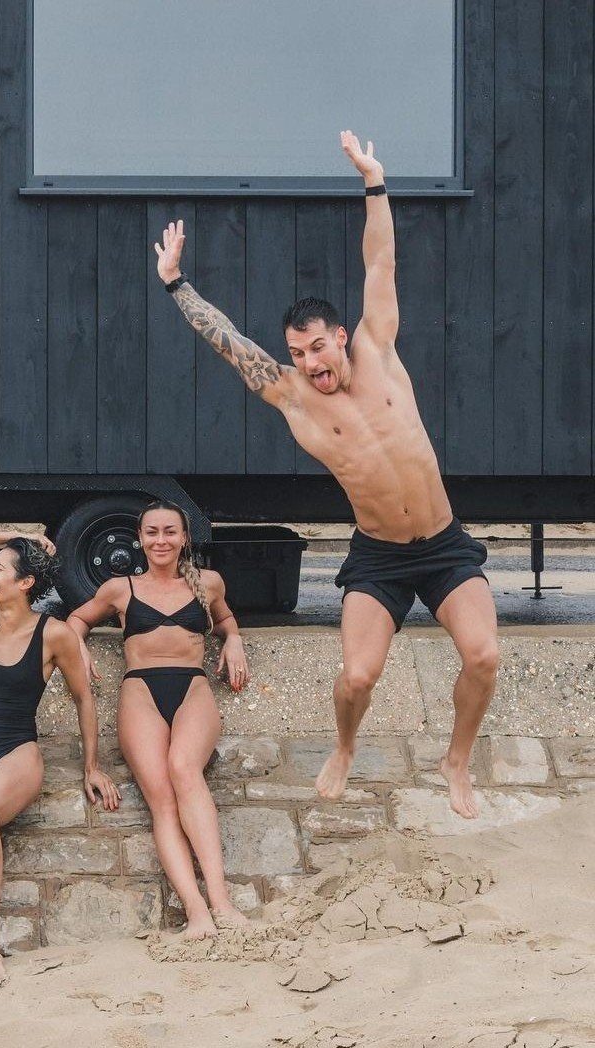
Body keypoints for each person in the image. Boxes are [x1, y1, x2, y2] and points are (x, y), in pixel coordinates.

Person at [154, 130, 498, 819]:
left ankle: (456, 760)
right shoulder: (292, 397)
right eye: (298, 353)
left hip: (443, 544)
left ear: (339, 337)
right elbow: (229, 343)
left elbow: (380, 259)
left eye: (317, 347)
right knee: (357, 678)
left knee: (484, 657)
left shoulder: (378, 348)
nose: (310, 363)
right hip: (378, 556)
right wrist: (176, 283)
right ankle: (344, 746)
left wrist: (374, 180)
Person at [0, 528, 121, 993]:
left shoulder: (53, 634)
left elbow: (83, 697)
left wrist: (91, 766)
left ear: (25, 583)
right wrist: (18, 535)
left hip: (17, 751)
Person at [67, 500, 250, 939]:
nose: (161, 540)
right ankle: (196, 912)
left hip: (192, 687)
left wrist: (234, 639)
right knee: (163, 801)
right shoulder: (120, 587)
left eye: (170, 531)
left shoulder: (208, 582)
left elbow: (225, 618)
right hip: (140, 692)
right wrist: (78, 646)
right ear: (140, 538)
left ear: (184, 537)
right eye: (152, 532)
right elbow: (77, 618)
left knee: (184, 768)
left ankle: (221, 902)